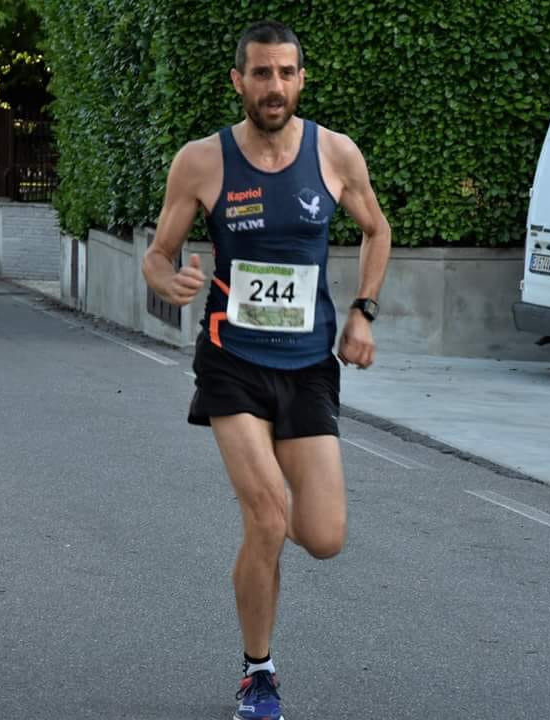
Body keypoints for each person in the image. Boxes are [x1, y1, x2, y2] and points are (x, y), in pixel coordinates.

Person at [141, 20, 391, 720]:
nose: (273, 86)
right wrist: (167, 283)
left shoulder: (336, 154)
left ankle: (269, 520)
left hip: (309, 364)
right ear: (238, 81)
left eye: (285, 73)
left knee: (324, 536)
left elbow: (377, 229)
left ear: (301, 79)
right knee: (268, 516)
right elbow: (159, 254)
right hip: (233, 363)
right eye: (260, 73)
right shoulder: (202, 162)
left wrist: (363, 311)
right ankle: (259, 673)